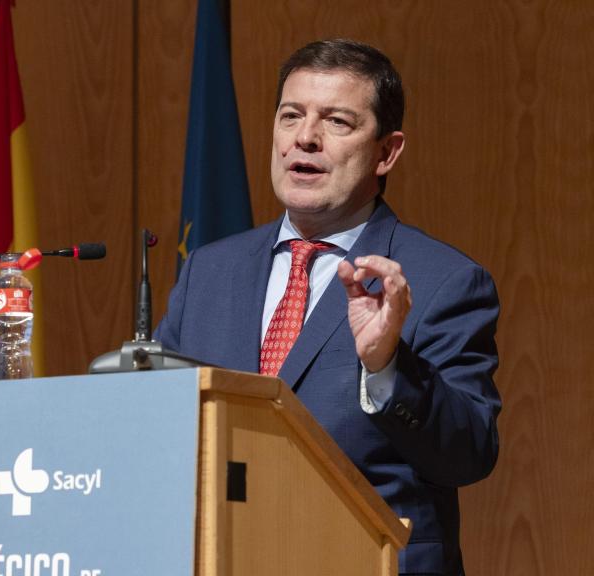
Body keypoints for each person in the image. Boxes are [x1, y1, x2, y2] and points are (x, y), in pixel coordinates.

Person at [154, 39, 500, 576]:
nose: (304, 138)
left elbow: (469, 454)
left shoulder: (443, 280)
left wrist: (387, 366)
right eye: (291, 115)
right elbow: (161, 431)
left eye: (336, 121)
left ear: (386, 152)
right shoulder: (207, 272)